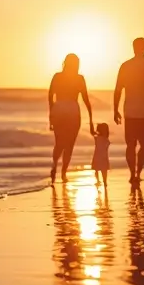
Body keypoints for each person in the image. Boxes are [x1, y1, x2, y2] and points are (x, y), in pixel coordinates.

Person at [112, 37, 144, 184]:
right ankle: (138, 172)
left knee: (130, 144)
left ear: (133, 48)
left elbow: (117, 90)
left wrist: (115, 110)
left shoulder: (125, 66)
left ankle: (132, 174)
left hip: (130, 111)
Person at [48, 53, 94, 181]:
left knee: (59, 143)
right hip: (73, 110)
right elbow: (86, 99)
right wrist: (90, 119)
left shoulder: (57, 76)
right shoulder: (79, 78)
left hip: (58, 109)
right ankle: (63, 173)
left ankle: (54, 165)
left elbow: (50, 95)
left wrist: (51, 113)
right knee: (69, 144)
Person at [91, 123, 111, 188]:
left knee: (99, 170)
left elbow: (92, 132)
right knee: (102, 170)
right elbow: (92, 131)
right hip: (102, 156)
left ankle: (101, 181)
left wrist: (90, 119)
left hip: (99, 156)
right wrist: (90, 120)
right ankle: (101, 181)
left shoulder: (99, 138)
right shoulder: (101, 138)